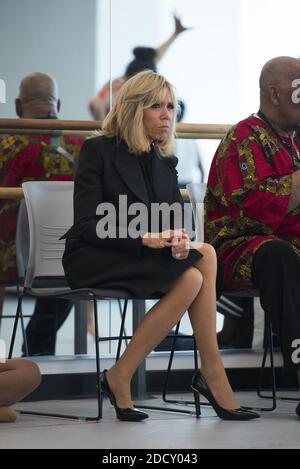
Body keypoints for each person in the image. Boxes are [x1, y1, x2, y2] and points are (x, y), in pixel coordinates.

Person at [62, 70, 259, 422]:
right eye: (157, 106)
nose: (167, 114)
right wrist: (143, 236)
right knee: (206, 259)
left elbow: (170, 222)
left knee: (196, 272)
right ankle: (211, 375)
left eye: (171, 106)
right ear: (135, 109)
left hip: (142, 256)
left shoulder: (164, 160)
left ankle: (122, 374)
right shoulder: (97, 151)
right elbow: (87, 225)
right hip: (96, 256)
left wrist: (178, 241)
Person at [205, 56, 300, 418]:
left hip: (285, 246)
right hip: (237, 248)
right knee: (278, 255)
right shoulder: (243, 138)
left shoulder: (295, 140)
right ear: (275, 93)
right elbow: (255, 212)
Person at [0, 72, 84, 355]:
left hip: (10, 258)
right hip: (68, 260)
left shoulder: (6, 146)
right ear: (57, 103)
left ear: (17, 105)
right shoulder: (81, 145)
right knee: (67, 256)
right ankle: (37, 346)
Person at [89, 14, 191, 120]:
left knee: (177, 105)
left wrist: (175, 34)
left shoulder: (129, 80)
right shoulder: (119, 88)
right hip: (120, 130)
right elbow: (95, 104)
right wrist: (103, 126)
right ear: (140, 80)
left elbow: (156, 57)